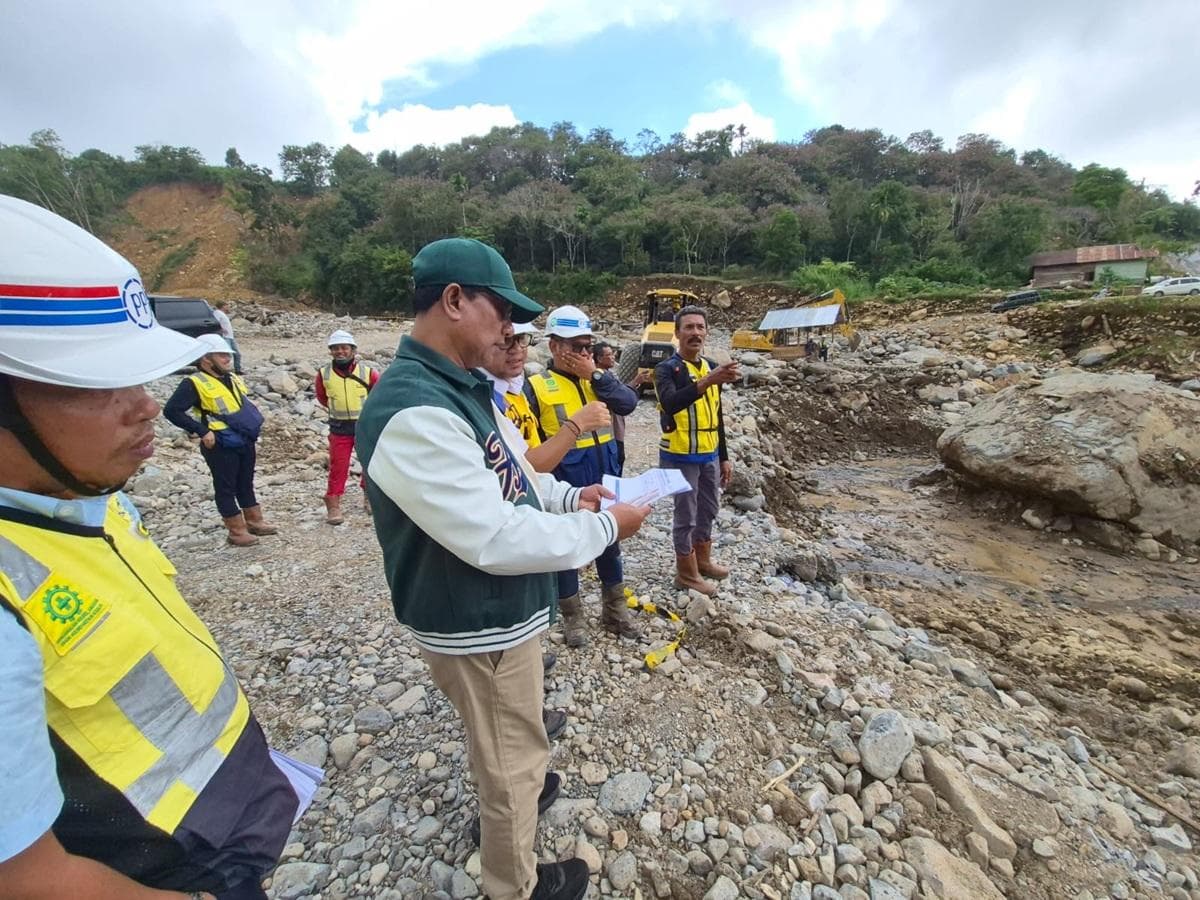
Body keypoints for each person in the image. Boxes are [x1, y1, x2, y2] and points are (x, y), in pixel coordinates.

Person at [0, 194, 298, 900]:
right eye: (95, 383)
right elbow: (30, 879)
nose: (141, 404)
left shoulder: (87, 498)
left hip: (217, 826)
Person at [354, 238, 650, 900]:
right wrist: (604, 528)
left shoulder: (459, 388)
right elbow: (491, 534)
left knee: (503, 746)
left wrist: (576, 498)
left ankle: (503, 825)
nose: (511, 330)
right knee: (514, 762)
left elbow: (514, 475)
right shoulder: (412, 406)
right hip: (476, 620)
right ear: (454, 300)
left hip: (498, 613)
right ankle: (510, 884)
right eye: (503, 312)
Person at [526, 307, 641, 646]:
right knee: (566, 551)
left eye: (587, 346)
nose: (583, 353)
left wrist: (597, 374)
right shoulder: (536, 387)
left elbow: (629, 403)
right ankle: (573, 617)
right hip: (567, 484)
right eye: (576, 346)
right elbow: (530, 448)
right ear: (554, 347)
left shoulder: (599, 380)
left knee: (610, 542)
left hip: (605, 478)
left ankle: (615, 610)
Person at [654, 305, 740, 596]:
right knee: (685, 517)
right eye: (688, 327)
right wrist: (707, 381)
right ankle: (686, 573)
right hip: (679, 457)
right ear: (677, 333)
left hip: (709, 455)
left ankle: (703, 560)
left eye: (700, 327)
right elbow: (671, 403)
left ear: (706, 332)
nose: (695, 333)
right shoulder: (667, 369)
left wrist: (724, 457)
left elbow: (716, 417)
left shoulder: (710, 366)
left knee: (708, 510)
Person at [163, 335, 277, 547]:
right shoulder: (194, 383)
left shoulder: (231, 378)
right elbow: (172, 410)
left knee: (245, 482)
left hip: (243, 438)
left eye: (228, 355)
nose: (227, 359)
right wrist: (201, 431)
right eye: (222, 355)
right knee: (225, 487)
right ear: (206, 359)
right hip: (220, 443)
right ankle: (236, 530)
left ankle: (254, 521)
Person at [481, 322, 611, 475]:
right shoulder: (487, 399)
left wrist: (570, 497)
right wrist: (576, 425)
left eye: (521, 339)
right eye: (506, 340)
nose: (517, 350)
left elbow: (627, 402)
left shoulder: (515, 389)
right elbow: (522, 469)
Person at [314, 329, 379, 525]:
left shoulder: (368, 373)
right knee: (338, 466)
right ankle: (333, 503)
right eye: (335, 348)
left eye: (344, 348)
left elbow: (378, 396)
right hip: (339, 429)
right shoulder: (323, 374)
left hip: (364, 427)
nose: (340, 352)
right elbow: (322, 397)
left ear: (353, 350)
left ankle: (369, 496)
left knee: (369, 463)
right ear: (330, 351)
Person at [590, 341, 644, 474]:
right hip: (611, 433)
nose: (613, 357)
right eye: (609, 354)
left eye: (613, 354)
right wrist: (635, 383)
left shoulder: (607, 376)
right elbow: (619, 398)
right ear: (599, 358)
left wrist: (635, 383)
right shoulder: (600, 380)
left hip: (616, 432)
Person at [211, 300, 242, 375]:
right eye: (227, 305)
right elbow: (215, 322)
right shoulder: (217, 313)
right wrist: (221, 329)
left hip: (230, 337)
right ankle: (224, 369)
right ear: (223, 306)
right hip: (225, 337)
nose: (228, 307)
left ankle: (238, 369)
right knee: (227, 354)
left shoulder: (223, 314)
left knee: (237, 354)